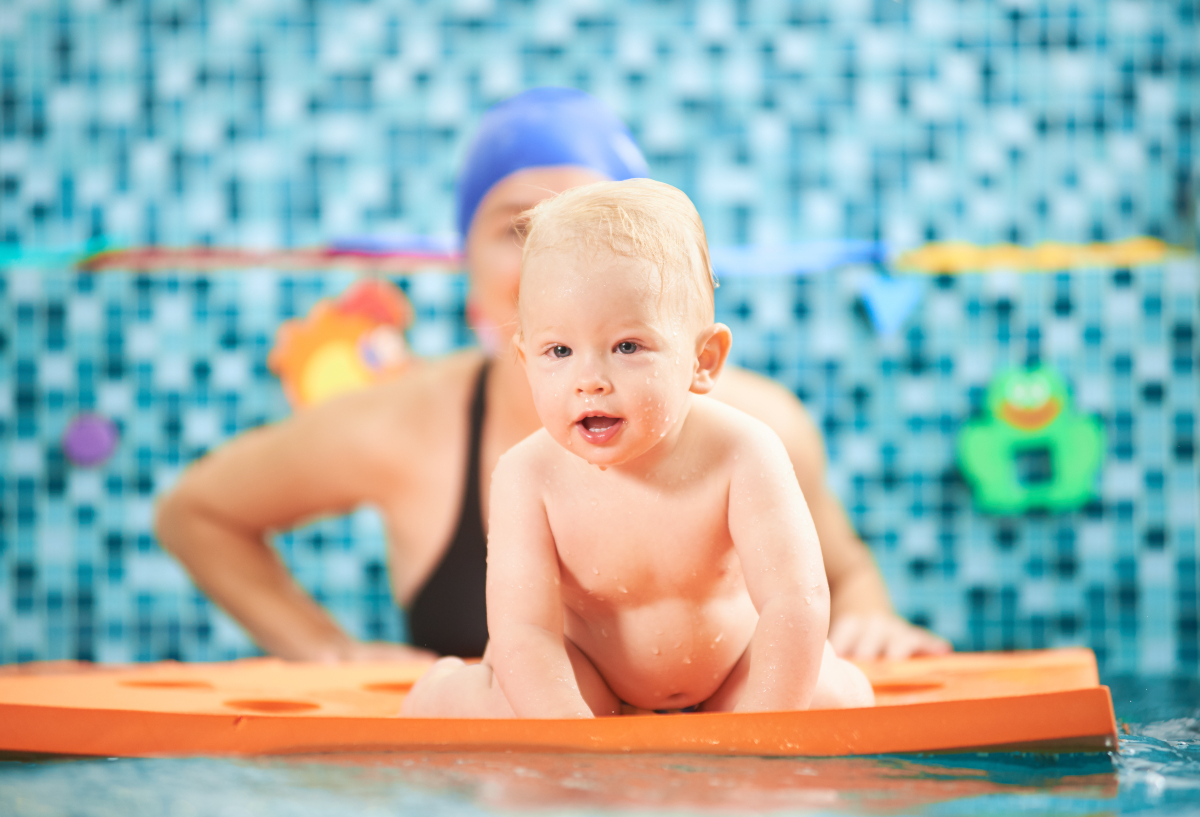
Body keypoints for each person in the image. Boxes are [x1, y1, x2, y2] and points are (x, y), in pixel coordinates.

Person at [155, 87, 948, 663]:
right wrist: (328, 653)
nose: (554, 260)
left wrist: (869, 622)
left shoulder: (754, 426)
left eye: (584, 223)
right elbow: (198, 512)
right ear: (466, 265)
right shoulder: (404, 425)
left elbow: (842, 576)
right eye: (519, 228)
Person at [400, 179, 875, 717]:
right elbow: (525, 631)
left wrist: (761, 731)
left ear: (704, 361)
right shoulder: (528, 475)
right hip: (586, 677)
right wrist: (571, 738)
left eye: (627, 346)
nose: (590, 379)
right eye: (559, 350)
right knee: (501, 702)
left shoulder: (743, 453)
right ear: (525, 359)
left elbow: (796, 602)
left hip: (729, 676)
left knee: (837, 698)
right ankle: (443, 688)